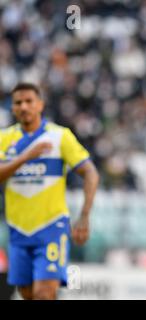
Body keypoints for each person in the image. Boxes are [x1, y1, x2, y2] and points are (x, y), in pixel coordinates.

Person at [0, 83, 99, 300]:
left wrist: (84, 215)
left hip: (51, 228)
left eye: (29, 101)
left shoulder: (60, 136)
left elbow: (90, 172)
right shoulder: (4, 139)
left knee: (44, 293)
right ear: (13, 108)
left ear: (40, 105)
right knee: (27, 295)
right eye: (18, 102)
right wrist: (25, 157)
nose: (24, 106)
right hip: (17, 230)